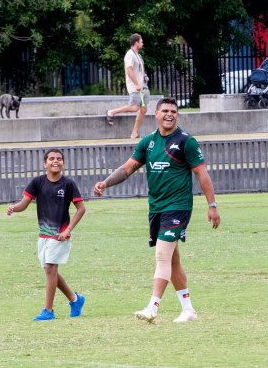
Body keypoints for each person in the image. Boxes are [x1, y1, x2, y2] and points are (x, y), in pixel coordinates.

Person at [94, 97, 221, 323]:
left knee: (162, 255)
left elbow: (202, 174)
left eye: (173, 111)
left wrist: (212, 205)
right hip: (156, 208)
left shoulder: (186, 142)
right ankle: (189, 310)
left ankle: (153, 307)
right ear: (156, 114)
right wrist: (106, 182)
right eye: (165, 111)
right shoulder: (148, 142)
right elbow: (128, 168)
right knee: (172, 261)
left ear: (177, 115)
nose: (169, 114)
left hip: (178, 206)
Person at [6, 149, 86, 321]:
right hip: (43, 235)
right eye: (51, 159)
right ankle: (75, 299)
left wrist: (67, 230)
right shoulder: (37, 182)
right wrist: (14, 208)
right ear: (45, 164)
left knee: (50, 269)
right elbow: (24, 204)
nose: (55, 161)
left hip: (59, 236)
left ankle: (48, 311)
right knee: (52, 273)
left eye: (59, 159)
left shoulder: (69, 184)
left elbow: (81, 209)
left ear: (63, 164)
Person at [106, 33, 151, 138]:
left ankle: (134, 133)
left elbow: (138, 70)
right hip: (135, 86)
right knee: (135, 108)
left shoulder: (138, 55)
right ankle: (111, 112)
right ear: (136, 43)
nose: (142, 43)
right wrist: (136, 83)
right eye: (141, 41)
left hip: (142, 86)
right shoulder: (129, 55)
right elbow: (129, 70)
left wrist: (144, 77)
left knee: (143, 109)